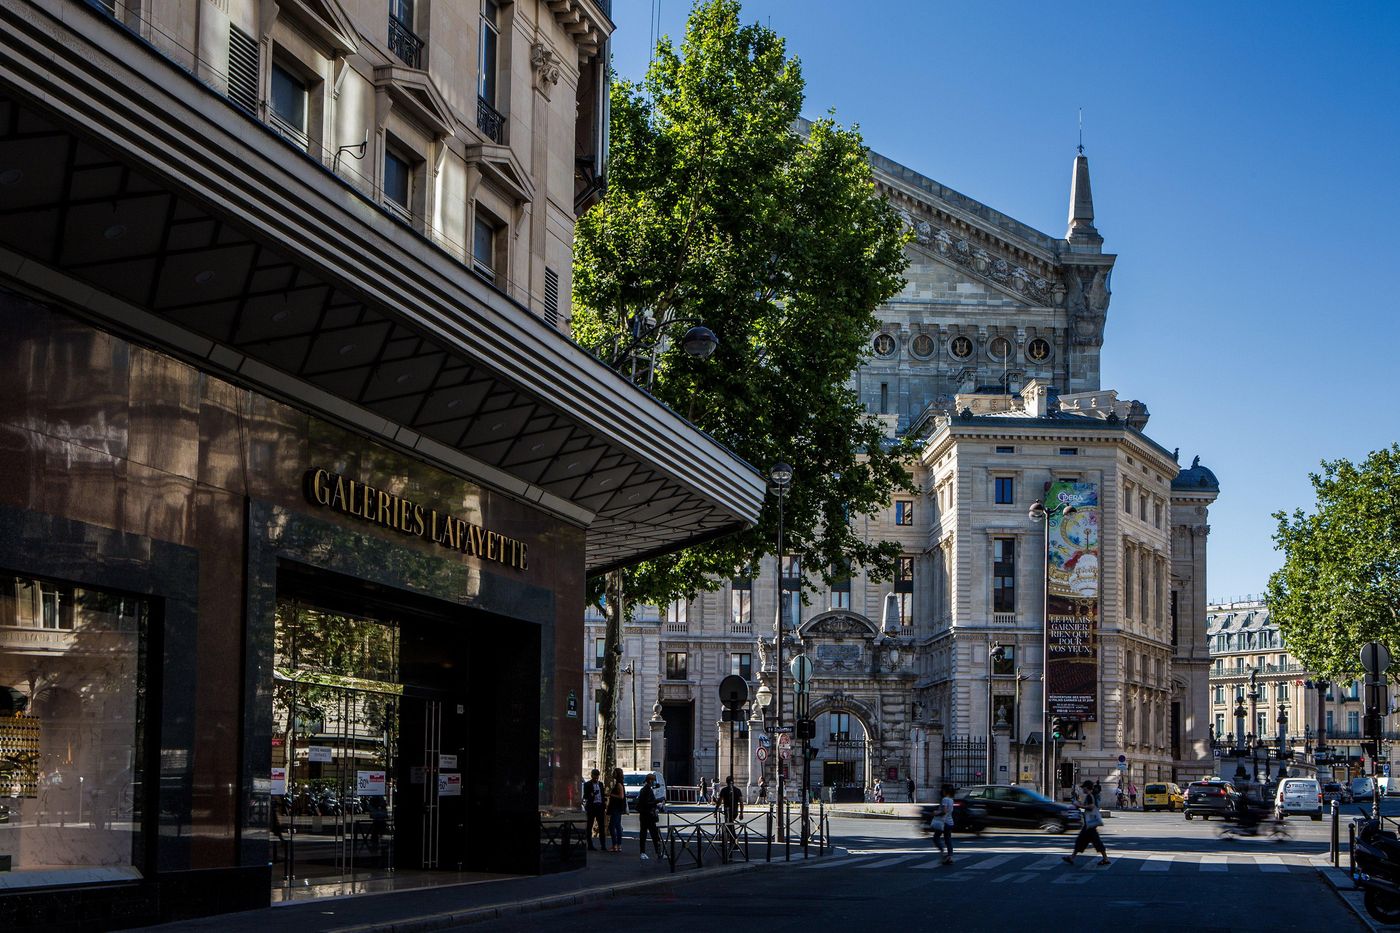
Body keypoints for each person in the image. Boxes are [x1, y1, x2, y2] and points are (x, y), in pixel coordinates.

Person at [1063, 780, 1110, 866]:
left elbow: (1091, 807)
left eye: (1083, 788)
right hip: (1089, 824)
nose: (1082, 789)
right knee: (1083, 841)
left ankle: (1105, 858)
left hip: (1090, 824)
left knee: (1091, 841)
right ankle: (1072, 857)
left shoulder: (1089, 796)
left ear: (1087, 788)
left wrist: (1079, 806)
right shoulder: (1092, 795)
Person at [636, 772, 663, 861]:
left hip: (646, 815)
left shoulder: (646, 789)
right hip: (647, 815)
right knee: (653, 835)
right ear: (650, 781)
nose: (654, 782)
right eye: (654, 781)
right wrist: (657, 801)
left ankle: (650, 853)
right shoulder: (646, 790)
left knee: (646, 834)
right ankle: (653, 853)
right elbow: (646, 803)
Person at [929, 784, 955, 865]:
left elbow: (944, 811)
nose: (942, 791)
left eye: (943, 790)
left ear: (945, 791)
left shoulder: (944, 800)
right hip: (950, 822)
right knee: (948, 840)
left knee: (936, 838)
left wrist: (935, 813)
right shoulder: (951, 800)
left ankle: (943, 852)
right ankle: (950, 856)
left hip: (944, 823)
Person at [582, 769, 606, 851]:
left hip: (599, 807)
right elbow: (585, 796)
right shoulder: (587, 784)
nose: (596, 778)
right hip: (592, 807)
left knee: (601, 827)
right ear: (592, 776)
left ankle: (603, 845)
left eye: (597, 776)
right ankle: (590, 845)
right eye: (594, 776)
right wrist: (592, 794)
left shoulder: (601, 784)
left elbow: (602, 795)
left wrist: (603, 805)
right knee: (589, 826)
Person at [606, 767, 627, 853]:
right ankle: (618, 845)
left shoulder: (618, 784)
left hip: (616, 808)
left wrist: (611, 794)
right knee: (617, 826)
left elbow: (621, 796)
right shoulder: (619, 783)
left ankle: (615, 845)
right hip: (618, 808)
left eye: (614, 773)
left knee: (612, 826)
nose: (612, 774)